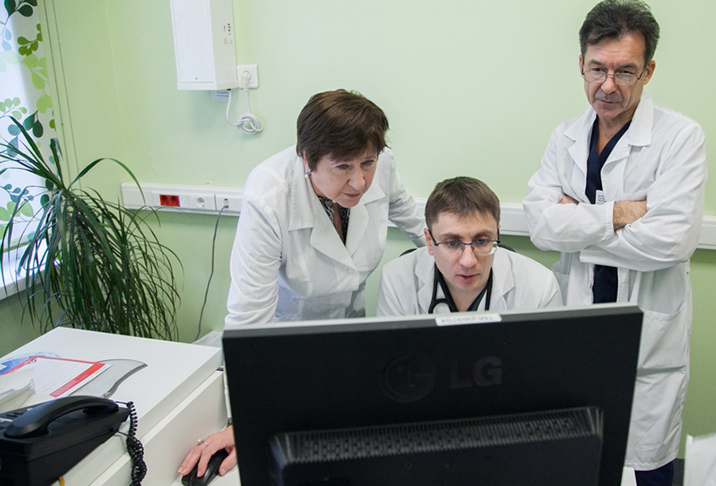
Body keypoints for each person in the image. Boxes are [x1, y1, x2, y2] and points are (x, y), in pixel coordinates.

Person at [178, 90, 426, 479]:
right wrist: (242, 420)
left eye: (368, 163)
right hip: (284, 346)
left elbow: (412, 218)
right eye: (342, 167)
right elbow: (249, 320)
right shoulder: (269, 195)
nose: (360, 180)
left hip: (350, 335)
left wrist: (456, 248)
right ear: (307, 159)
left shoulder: (379, 164)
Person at [522, 1, 707, 484]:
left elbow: (671, 241)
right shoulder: (565, 137)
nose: (608, 85)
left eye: (625, 71)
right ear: (580, 65)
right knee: (577, 462)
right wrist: (621, 214)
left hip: (649, 338)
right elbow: (541, 227)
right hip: (579, 322)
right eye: (597, 69)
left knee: (647, 466)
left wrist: (576, 224)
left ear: (648, 72)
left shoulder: (680, 138)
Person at [377, 177, 561, 316]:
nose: (468, 261)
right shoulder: (397, 281)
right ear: (430, 241)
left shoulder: (540, 286)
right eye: (452, 243)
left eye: (481, 241)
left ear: (496, 235)